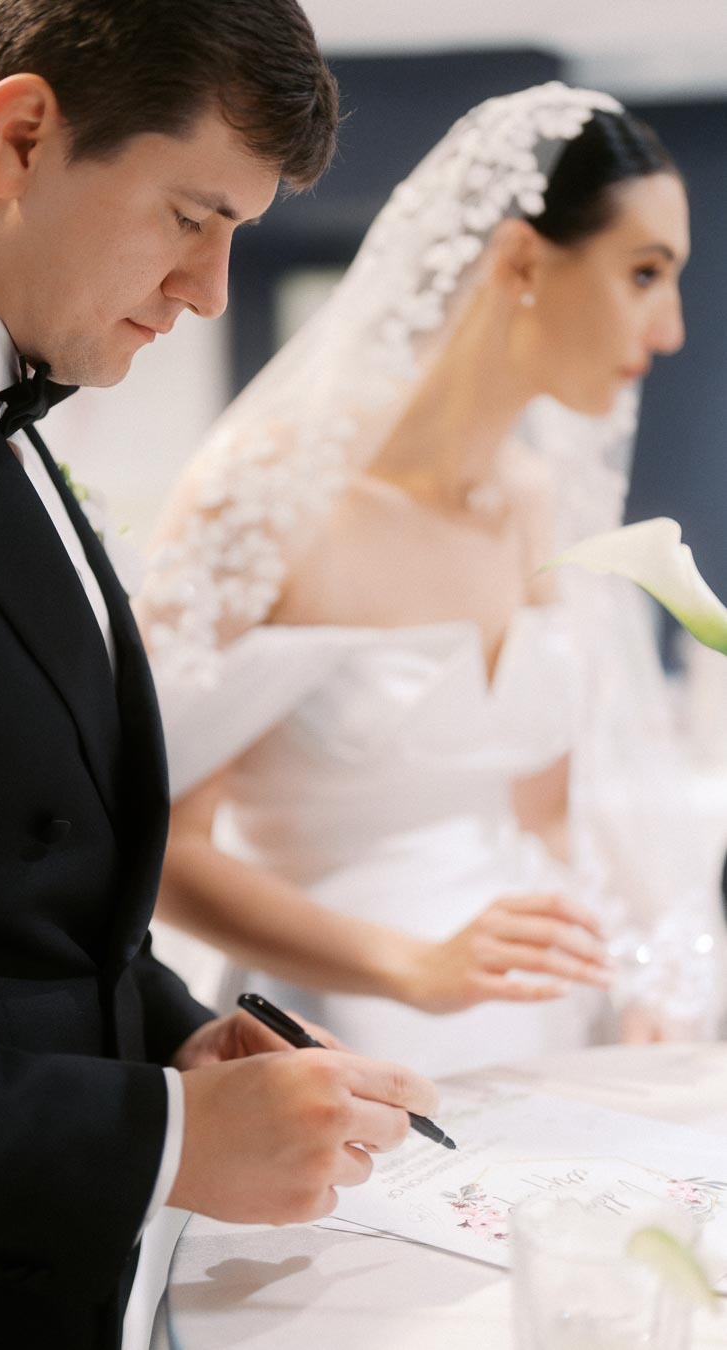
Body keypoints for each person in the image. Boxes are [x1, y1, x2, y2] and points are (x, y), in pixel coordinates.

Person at [0, 4, 442, 1348]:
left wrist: (170, 1036)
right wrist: (156, 1137)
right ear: (26, 133)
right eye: (190, 217)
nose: (213, 290)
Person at [140, 82, 718, 1078]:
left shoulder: (540, 502)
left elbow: (541, 814)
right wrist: (411, 966)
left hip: (543, 1032)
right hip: (335, 1029)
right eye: (643, 273)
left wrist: (629, 980)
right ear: (524, 261)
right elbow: (162, 850)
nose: (669, 330)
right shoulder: (266, 494)